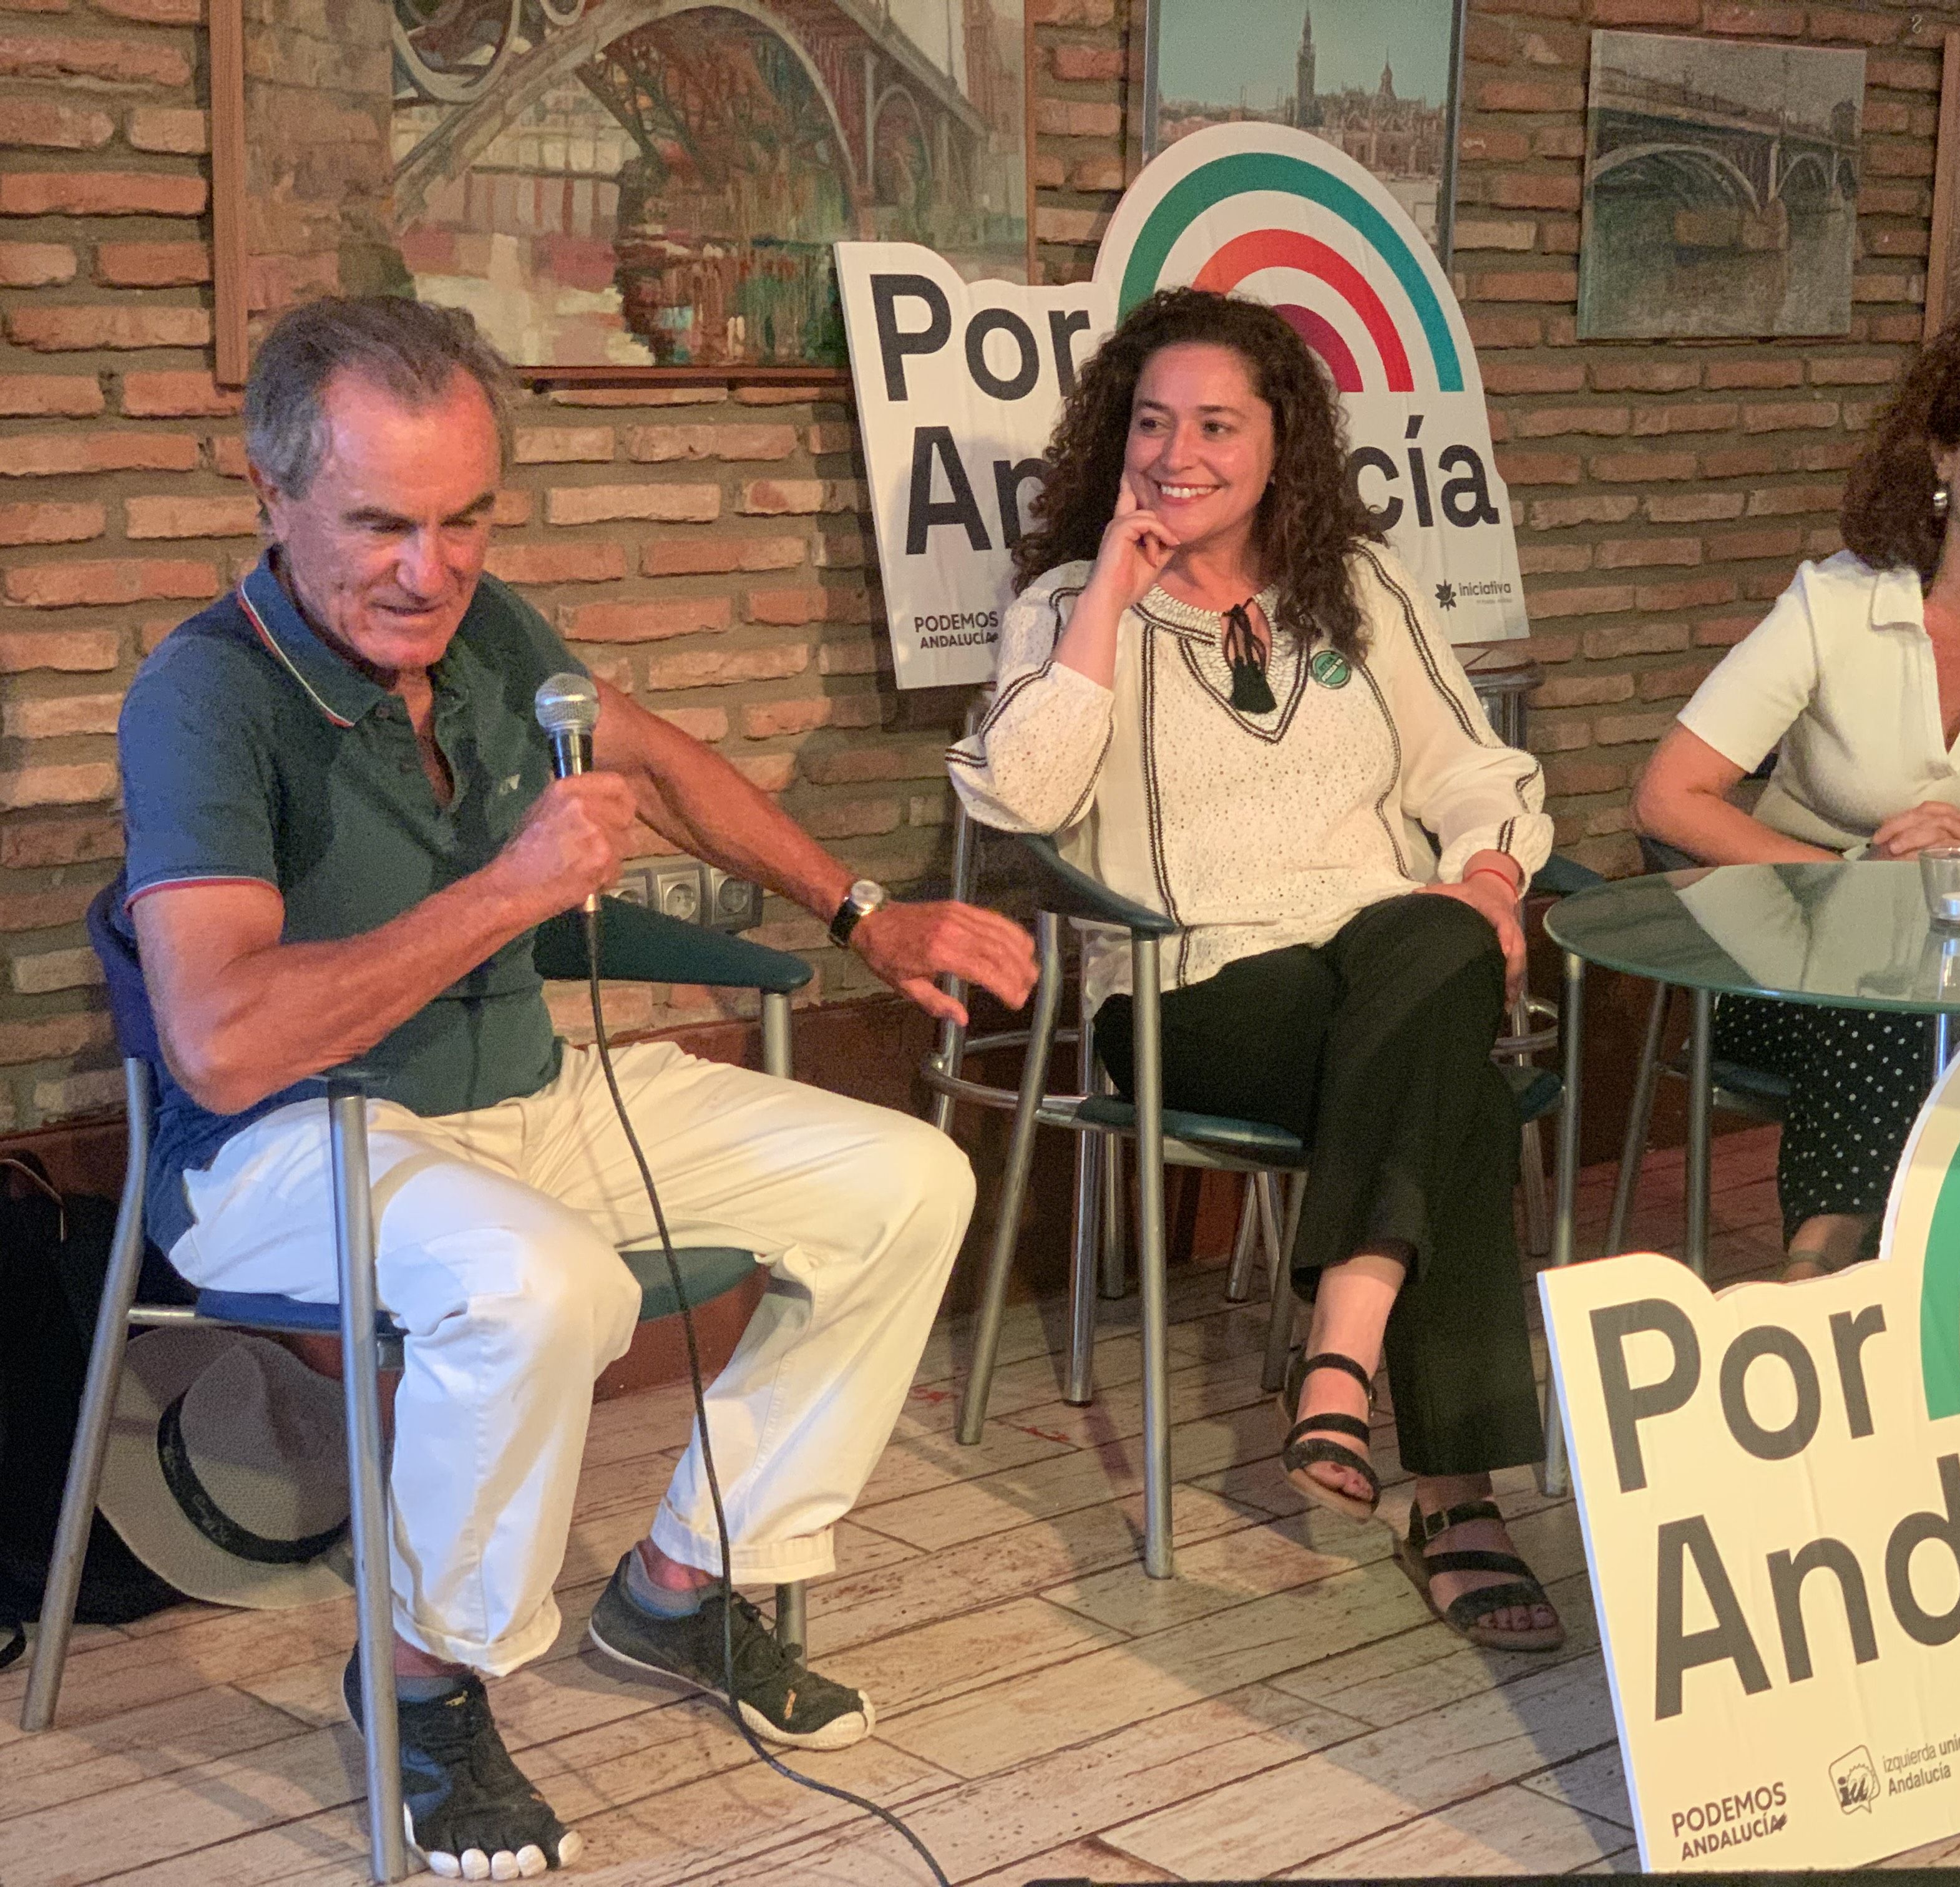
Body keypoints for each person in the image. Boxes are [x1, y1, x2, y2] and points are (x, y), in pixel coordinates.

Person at [116, 296, 1037, 1879]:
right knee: (541, 1287)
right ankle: (417, 1682)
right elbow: (222, 1040)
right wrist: (510, 893)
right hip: (290, 1142)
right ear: (270, 498)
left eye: (467, 519)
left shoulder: (490, 635)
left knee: (907, 1184)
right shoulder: (203, 697)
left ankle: (677, 1586)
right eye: (384, 523)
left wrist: (858, 913)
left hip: (524, 1099)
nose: (433, 568)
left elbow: (669, 765)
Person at [948, 288, 1564, 1654]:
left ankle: (1342, 1361)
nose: (1179, 454)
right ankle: (1453, 1498)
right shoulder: (1062, 606)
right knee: (1444, 1076)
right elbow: (1024, 797)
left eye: (1217, 425)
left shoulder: (1359, 589)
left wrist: (1488, 869)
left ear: (1283, 440)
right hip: (1189, 996)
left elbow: (1473, 770)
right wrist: (1109, 583)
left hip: (1383, 961)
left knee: (1440, 942)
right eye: (1153, 424)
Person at [1629, 300, 1960, 1279]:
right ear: (1940, 455)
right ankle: (1822, 1277)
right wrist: (1851, 880)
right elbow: (1671, 797)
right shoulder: (1835, 601)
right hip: (1781, 965)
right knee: (1890, 991)